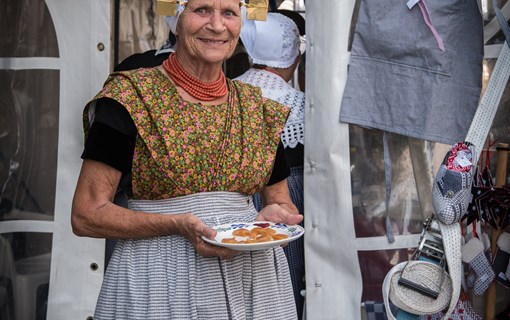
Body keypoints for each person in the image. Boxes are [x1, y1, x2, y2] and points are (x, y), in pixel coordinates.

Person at [71, 0, 303, 319]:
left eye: (229, 13)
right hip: (158, 282)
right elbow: (86, 214)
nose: (217, 25)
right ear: (177, 17)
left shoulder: (256, 109)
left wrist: (276, 215)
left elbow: (281, 202)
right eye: (203, 10)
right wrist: (177, 225)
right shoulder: (129, 99)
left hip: (253, 287)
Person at [234, 12, 306, 319]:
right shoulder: (300, 103)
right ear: (290, 55)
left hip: (233, 199)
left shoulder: (227, 92)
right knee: (285, 276)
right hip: (288, 197)